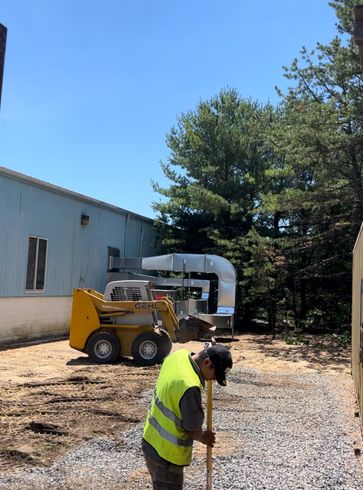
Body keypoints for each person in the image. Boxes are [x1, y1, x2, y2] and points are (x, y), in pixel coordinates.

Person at [142, 344, 233, 490]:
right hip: (166, 456)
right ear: (207, 362)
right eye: (215, 375)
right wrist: (205, 437)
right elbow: (193, 428)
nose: (214, 380)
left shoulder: (178, 356)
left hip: (150, 439)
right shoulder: (190, 386)